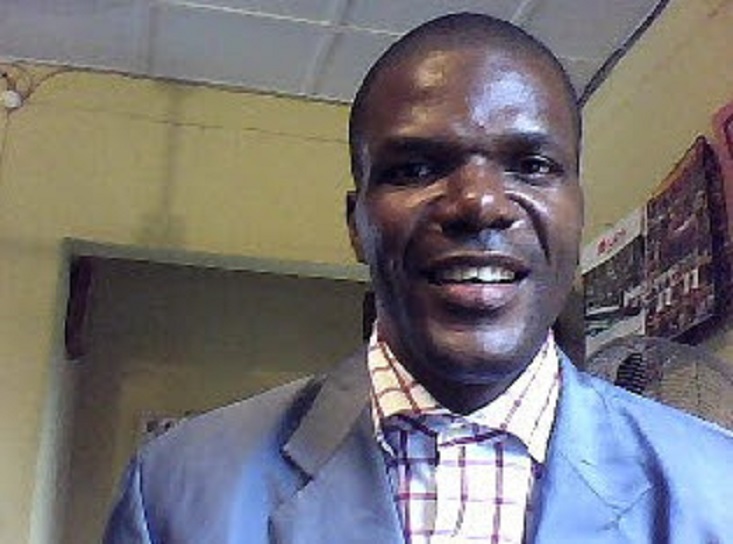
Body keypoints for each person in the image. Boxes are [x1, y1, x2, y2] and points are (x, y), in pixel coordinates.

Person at [104, 13, 733, 544]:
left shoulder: (717, 488)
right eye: (415, 169)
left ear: (577, 211)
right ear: (356, 224)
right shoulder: (173, 493)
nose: (479, 203)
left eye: (532, 164)